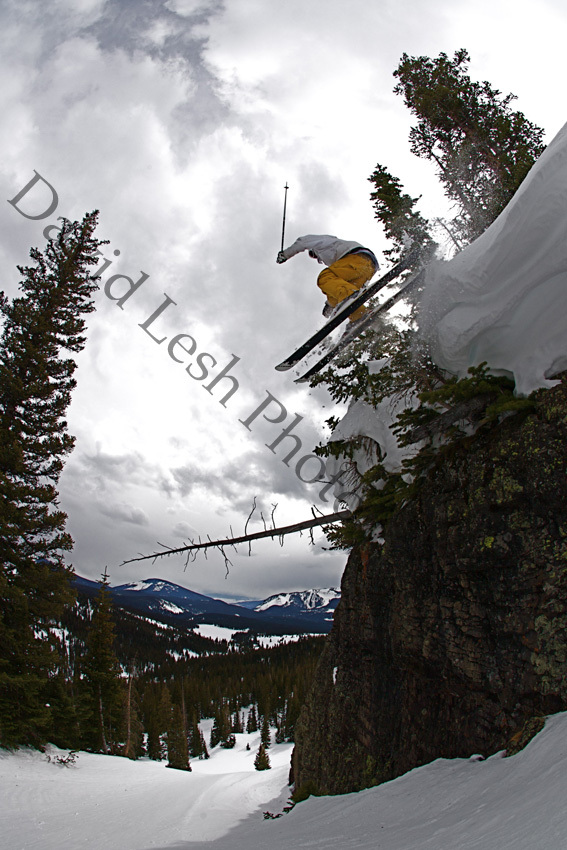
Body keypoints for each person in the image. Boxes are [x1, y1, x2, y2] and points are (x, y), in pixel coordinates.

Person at [277, 234, 379, 321]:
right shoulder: (333, 256)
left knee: (325, 278)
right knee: (337, 292)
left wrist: (285, 254)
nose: (315, 258)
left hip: (357, 258)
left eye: (313, 255)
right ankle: (360, 316)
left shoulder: (325, 242)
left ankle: (348, 299)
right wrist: (330, 304)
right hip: (367, 268)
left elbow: (302, 241)